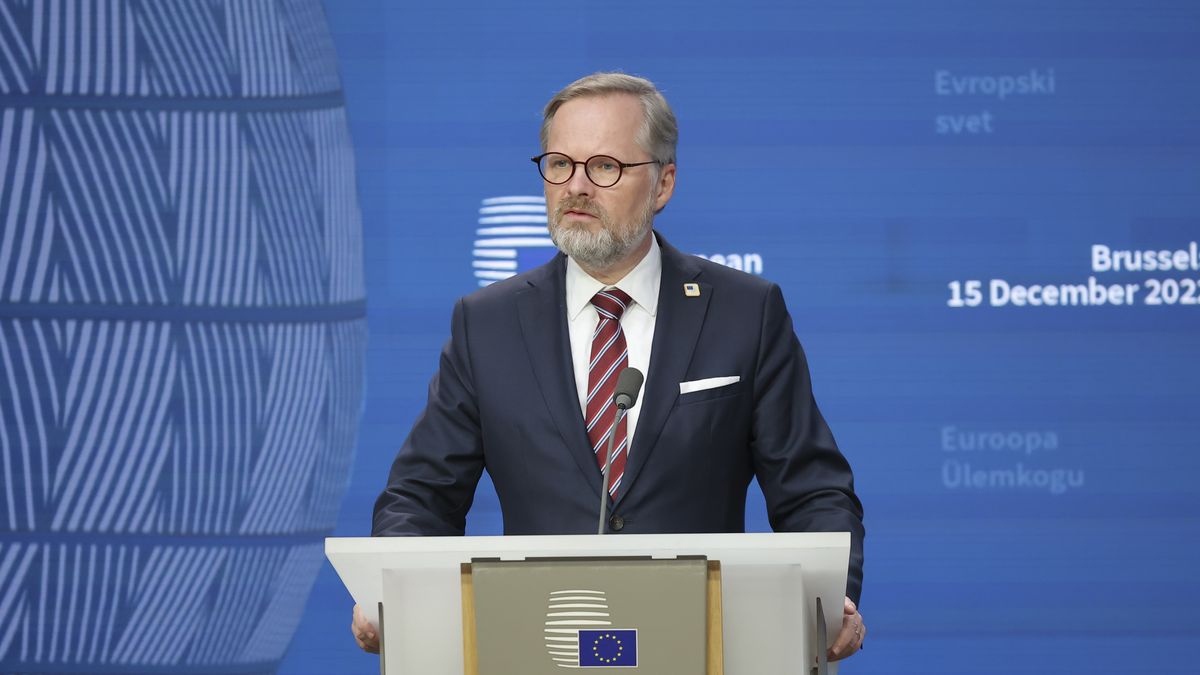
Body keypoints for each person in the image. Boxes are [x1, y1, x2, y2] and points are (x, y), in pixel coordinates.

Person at [353, 72, 867, 661]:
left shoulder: (744, 312)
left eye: (604, 167)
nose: (576, 187)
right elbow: (421, 495)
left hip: (708, 647)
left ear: (663, 183)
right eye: (559, 165)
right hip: (534, 647)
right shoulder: (487, 323)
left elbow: (812, 489)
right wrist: (385, 589)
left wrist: (833, 599)